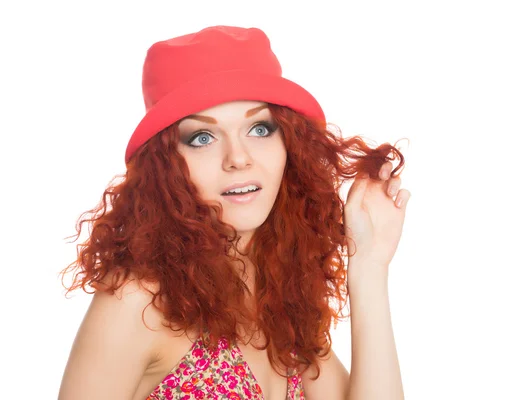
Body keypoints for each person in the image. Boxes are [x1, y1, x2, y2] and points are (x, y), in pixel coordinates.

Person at [58, 25, 410, 400]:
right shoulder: (137, 301)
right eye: (202, 138)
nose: (238, 159)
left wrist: (370, 265)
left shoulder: (276, 293)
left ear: (289, 144)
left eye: (259, 128)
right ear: (165, 166)